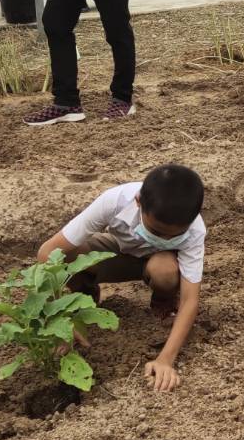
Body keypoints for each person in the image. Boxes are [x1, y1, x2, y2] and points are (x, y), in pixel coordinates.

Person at [39, 163, 206, 392]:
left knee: (165, 271)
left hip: (158, 263)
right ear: (138, 201)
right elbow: (47, 253)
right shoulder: (115, 201)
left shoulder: (195, 230)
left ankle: (164, 300)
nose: (164, 239)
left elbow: (190, 300)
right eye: (157, 232)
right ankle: (84, 290)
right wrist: (56, 321)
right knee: (66, 254)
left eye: (174, 236)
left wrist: (165, 360)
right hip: (117, 251)